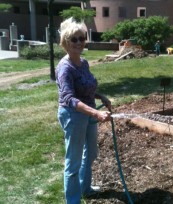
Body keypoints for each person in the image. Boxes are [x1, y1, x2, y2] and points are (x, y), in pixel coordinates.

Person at [55, 17, 111, 204]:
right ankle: (73, 200)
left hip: (88, 113)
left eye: (82, 38)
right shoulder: (65, 68)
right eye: (75, 39)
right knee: (73, 161)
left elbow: (86, 87)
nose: (79, 42)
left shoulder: (83, 62)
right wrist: (95, 113)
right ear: (65, 43)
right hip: (73, 115)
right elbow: (70, 99)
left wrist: (100, 96)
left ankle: (85, 188)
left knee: (92, 153)